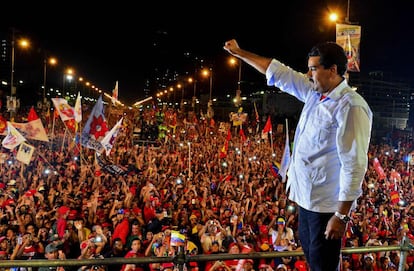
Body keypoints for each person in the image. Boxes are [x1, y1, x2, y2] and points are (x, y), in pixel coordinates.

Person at [224, 39, 372, 271]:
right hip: (305, 200)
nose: (308, 73)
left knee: (323, 265)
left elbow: (354, 164)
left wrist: (341, 216)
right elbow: (280, 73)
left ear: (332, 70)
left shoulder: (350, 106)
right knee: (313, 261)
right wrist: (239, 52)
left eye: (313, 68)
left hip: (325, 207)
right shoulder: (315, 93)